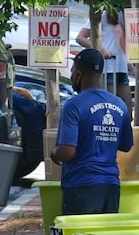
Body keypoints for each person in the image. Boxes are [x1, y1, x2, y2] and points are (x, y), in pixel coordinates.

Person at [54, 47, 134, 216]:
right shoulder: (119, 105)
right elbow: (127, 145)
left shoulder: (73, 105)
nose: (71, 76)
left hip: (80, 185)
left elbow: (67, 151)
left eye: (73, 70)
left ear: (79, 74)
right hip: (111, 186)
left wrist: (54, 153)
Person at [75, 9, 131, 101]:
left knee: (126, 106)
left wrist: (131, 66)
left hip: (121, 67)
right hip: (108, 68)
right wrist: (100, 49)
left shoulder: (123, 15)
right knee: (110, 103)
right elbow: (80, 38)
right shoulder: (101, 15)